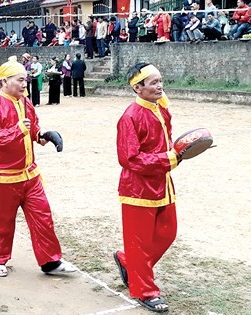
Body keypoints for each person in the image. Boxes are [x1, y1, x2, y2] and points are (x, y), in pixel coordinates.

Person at [0, 60, 77, 277]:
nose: (25, 84)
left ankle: (50, 261)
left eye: (26, 79)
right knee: (3, 220)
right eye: (20, 80)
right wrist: (17, 130)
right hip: (4, 176)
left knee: (42, 216)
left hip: (30, 174)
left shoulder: (25, 102)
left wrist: (43, 137)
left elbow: (33, 128)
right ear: (5, 81)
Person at [114, 63, 180, 313]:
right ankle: (144, 290)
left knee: (168, 232)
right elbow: (129, 158)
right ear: (137, 88)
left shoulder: (160, 108)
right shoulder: (130, 116)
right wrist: (169, 159)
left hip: (162, 183)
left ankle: (128, 261)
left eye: (160, 80)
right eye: (153, 83)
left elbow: (167, 139)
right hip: (137, 189)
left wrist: (177, 153)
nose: (160, 86)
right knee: (139, 242)